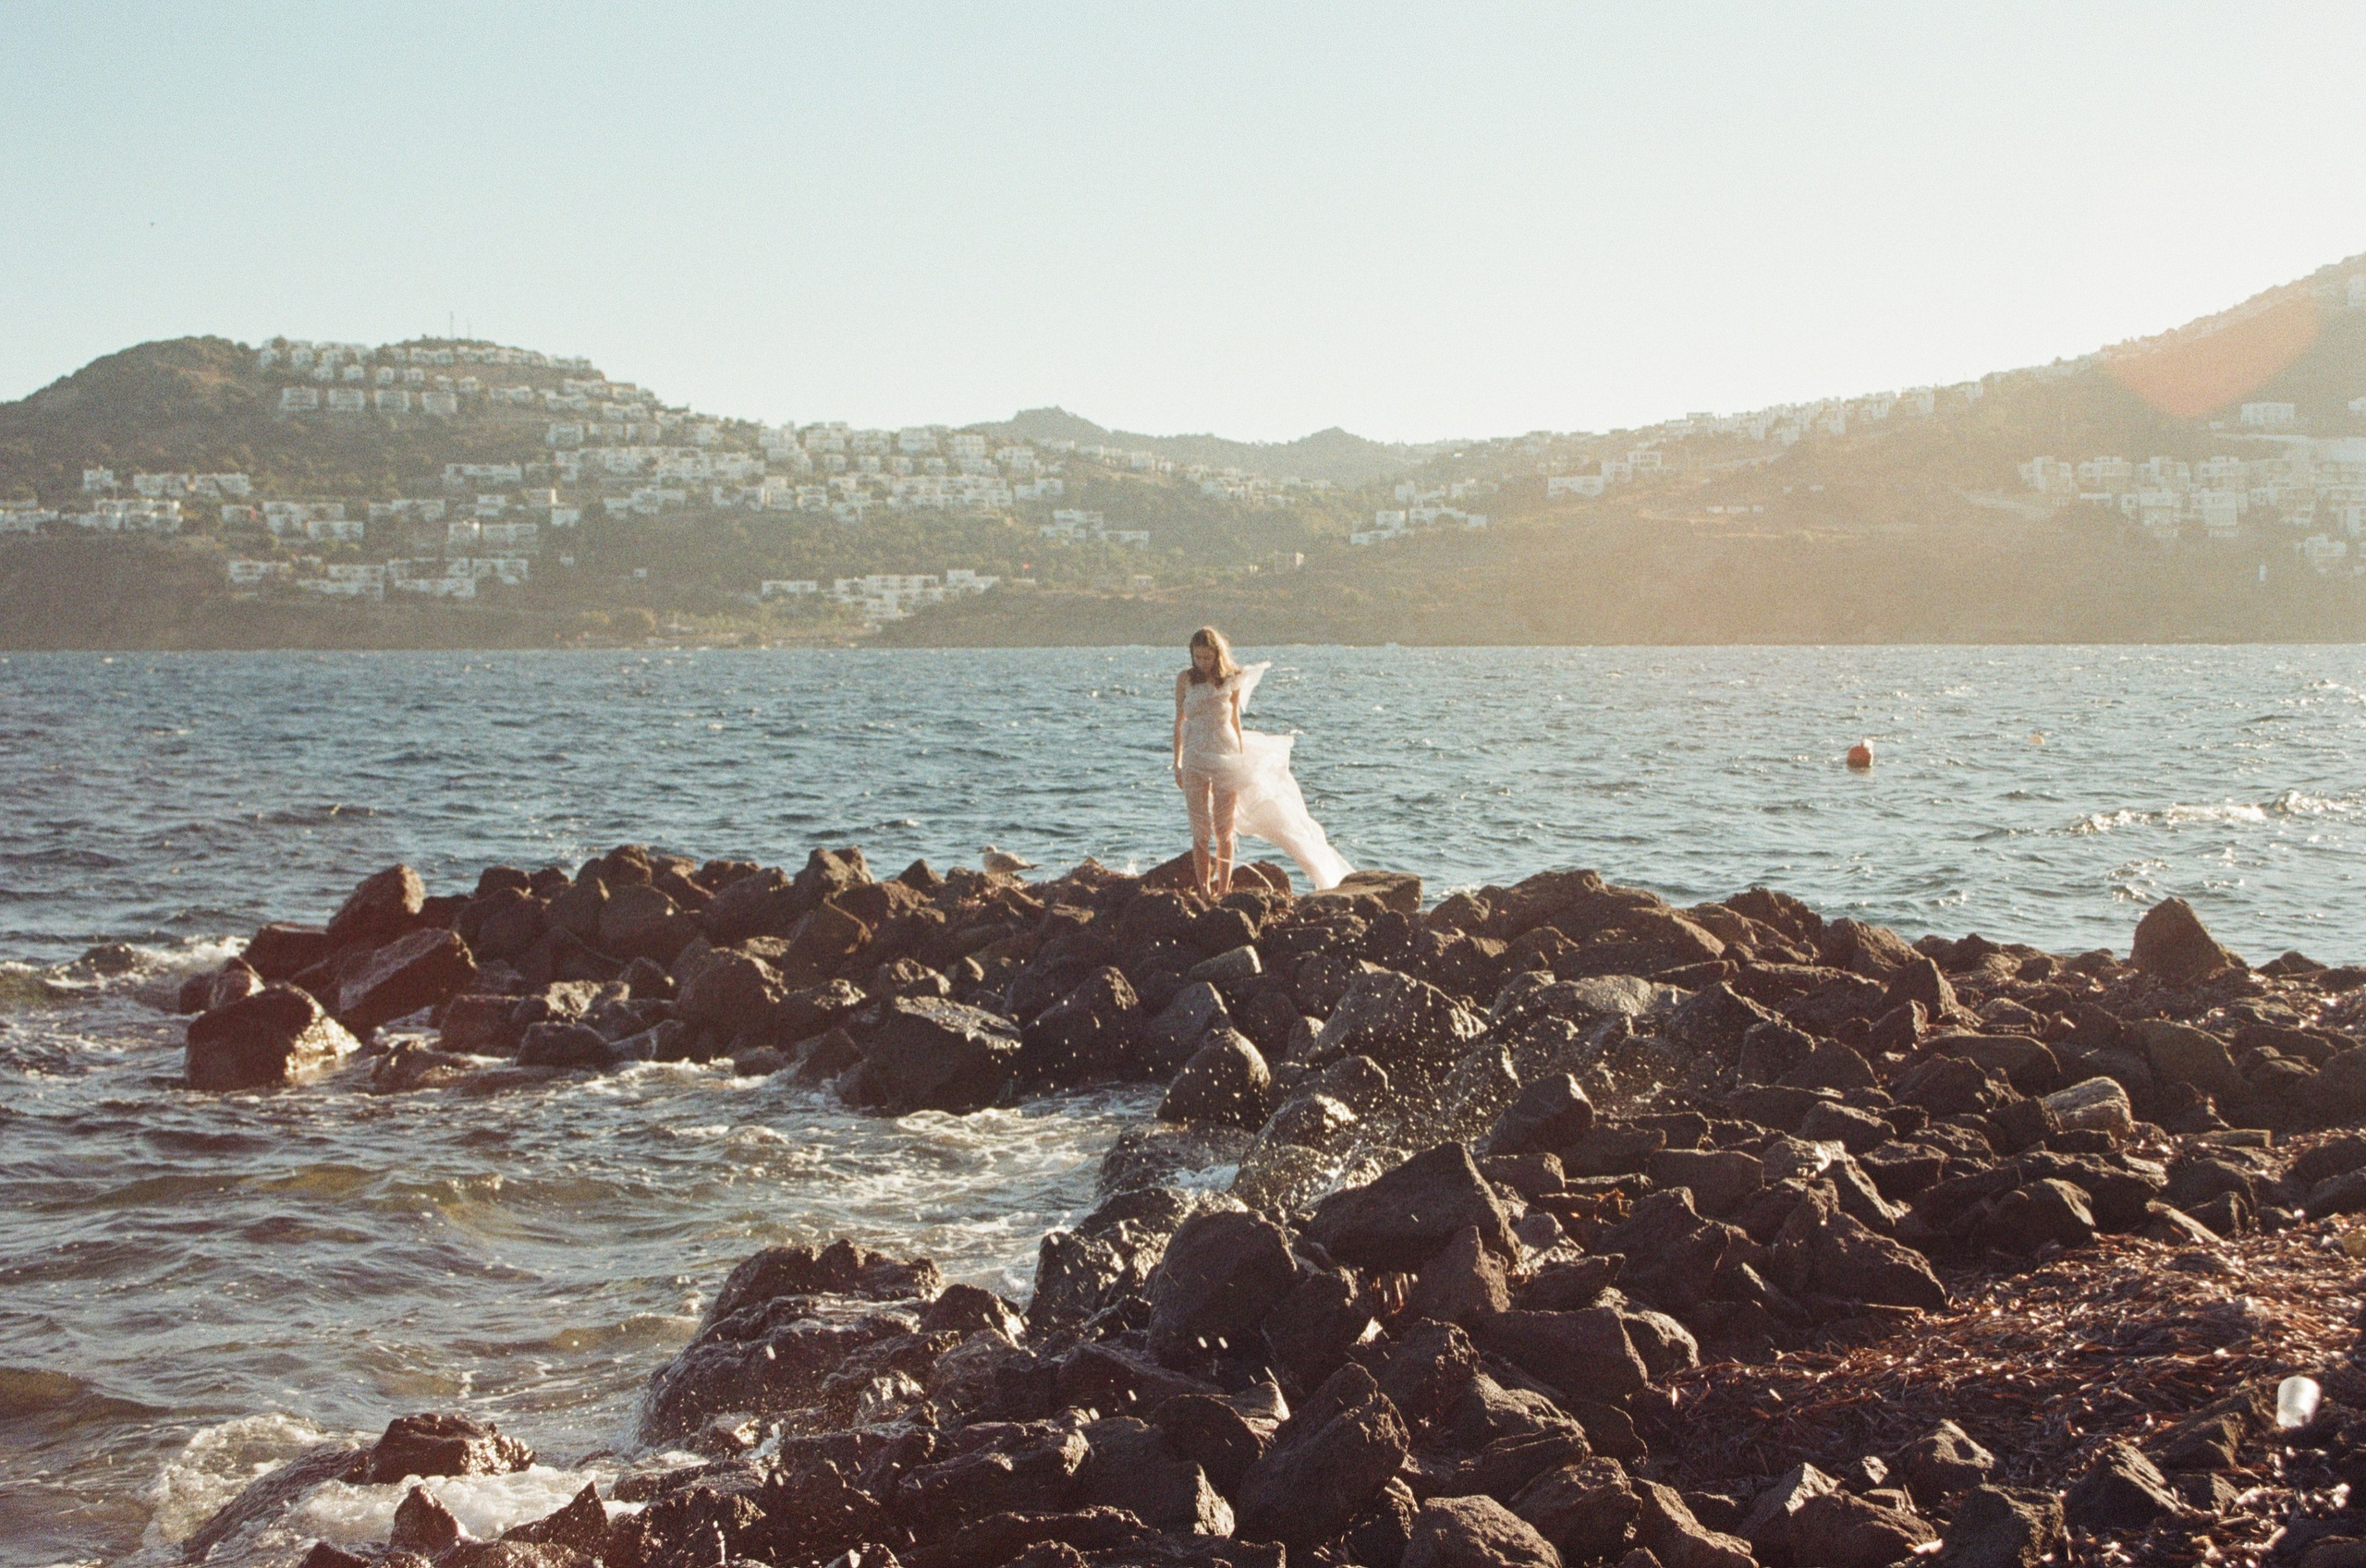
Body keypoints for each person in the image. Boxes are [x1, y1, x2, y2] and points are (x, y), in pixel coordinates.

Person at [1171, 626, 1353, 896]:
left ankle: (1223, 889)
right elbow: (1179, 720)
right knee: (1200, 831)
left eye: (1207, 657)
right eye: (1198, 657)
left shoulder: (1231, 679)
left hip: (1226, 755)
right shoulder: (1185, 679)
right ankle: (1204, 891)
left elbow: (1235, 720)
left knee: (1223, 828)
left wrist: (1241, 758)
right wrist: (1177, 762)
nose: (1202, 662)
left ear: (1217, 655)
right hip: (1194, 756)